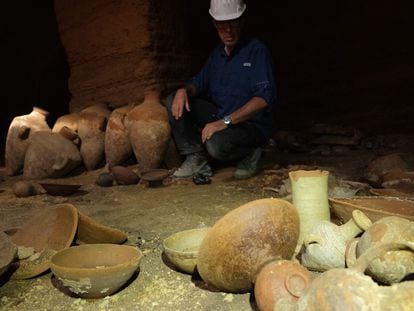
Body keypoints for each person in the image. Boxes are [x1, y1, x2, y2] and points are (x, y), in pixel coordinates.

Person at [166, 0, 276, 180]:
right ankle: (196, 157)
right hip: (222, 117)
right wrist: (183, 90)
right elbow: (198, 84)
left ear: (242, 21)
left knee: (215, 145)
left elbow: (264, 99)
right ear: (214, 24)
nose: (229, 31)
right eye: (222, 25)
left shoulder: (256, 51)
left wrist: (224, 122)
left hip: (250, 126)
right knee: (174, 99)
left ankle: (252, 152)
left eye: (233, 23)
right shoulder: (217, 55)